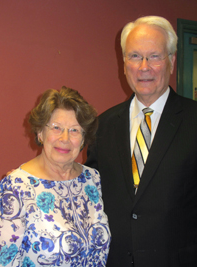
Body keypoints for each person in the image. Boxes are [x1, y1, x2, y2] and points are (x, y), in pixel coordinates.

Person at [86, 16, 197, 267]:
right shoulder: (102, 127)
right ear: (123, 63)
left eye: (154, 56)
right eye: (134, 56)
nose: (143, 67)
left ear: (171, 61)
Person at [0, 87, 111, 267]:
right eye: (56, 128)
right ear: (41, 133)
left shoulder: (92, 179)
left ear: (83, 139)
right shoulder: (16, 187)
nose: (64, 138)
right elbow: (4, 261)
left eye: (74, 130)